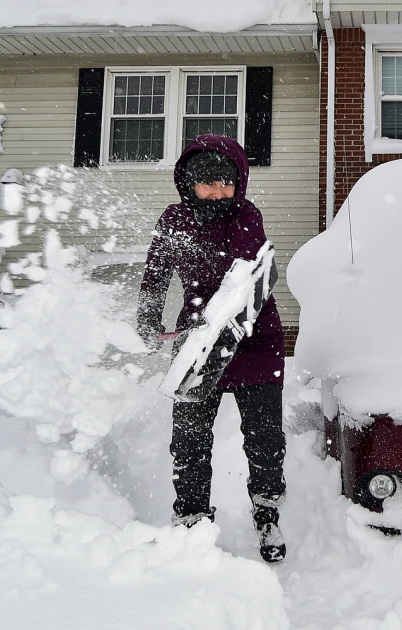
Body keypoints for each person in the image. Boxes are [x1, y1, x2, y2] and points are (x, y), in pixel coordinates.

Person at [136, 134, 288, 563]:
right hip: (197, 344)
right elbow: (156, 272)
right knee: (189, 440)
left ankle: (267, 509)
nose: (218, 192)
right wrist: (149, 316)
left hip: (254, 340)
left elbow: (241, 278)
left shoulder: (246, 215)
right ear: (189, 184)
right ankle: (191, 517)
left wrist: (209, 320)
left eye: (226, 183)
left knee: (264, 438)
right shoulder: (174, 219)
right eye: (207, 183)